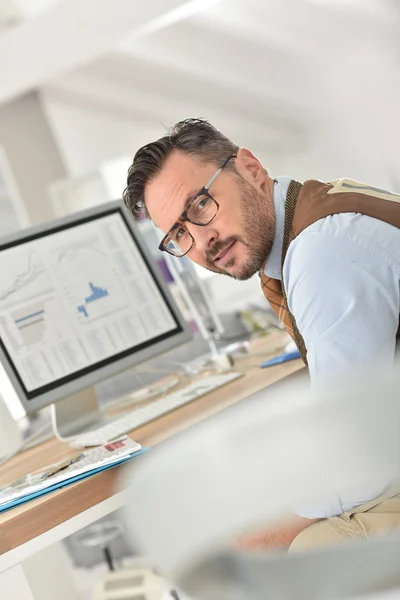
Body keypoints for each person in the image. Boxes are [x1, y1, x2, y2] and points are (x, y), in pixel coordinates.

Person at [123, 118, 400, 551]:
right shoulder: (316, 210)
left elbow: (361, 459)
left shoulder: (320, 254)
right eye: (178, 233)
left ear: (250, 168)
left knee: (301, 551)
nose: (201, 240)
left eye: (200, 205)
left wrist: (260, 540)